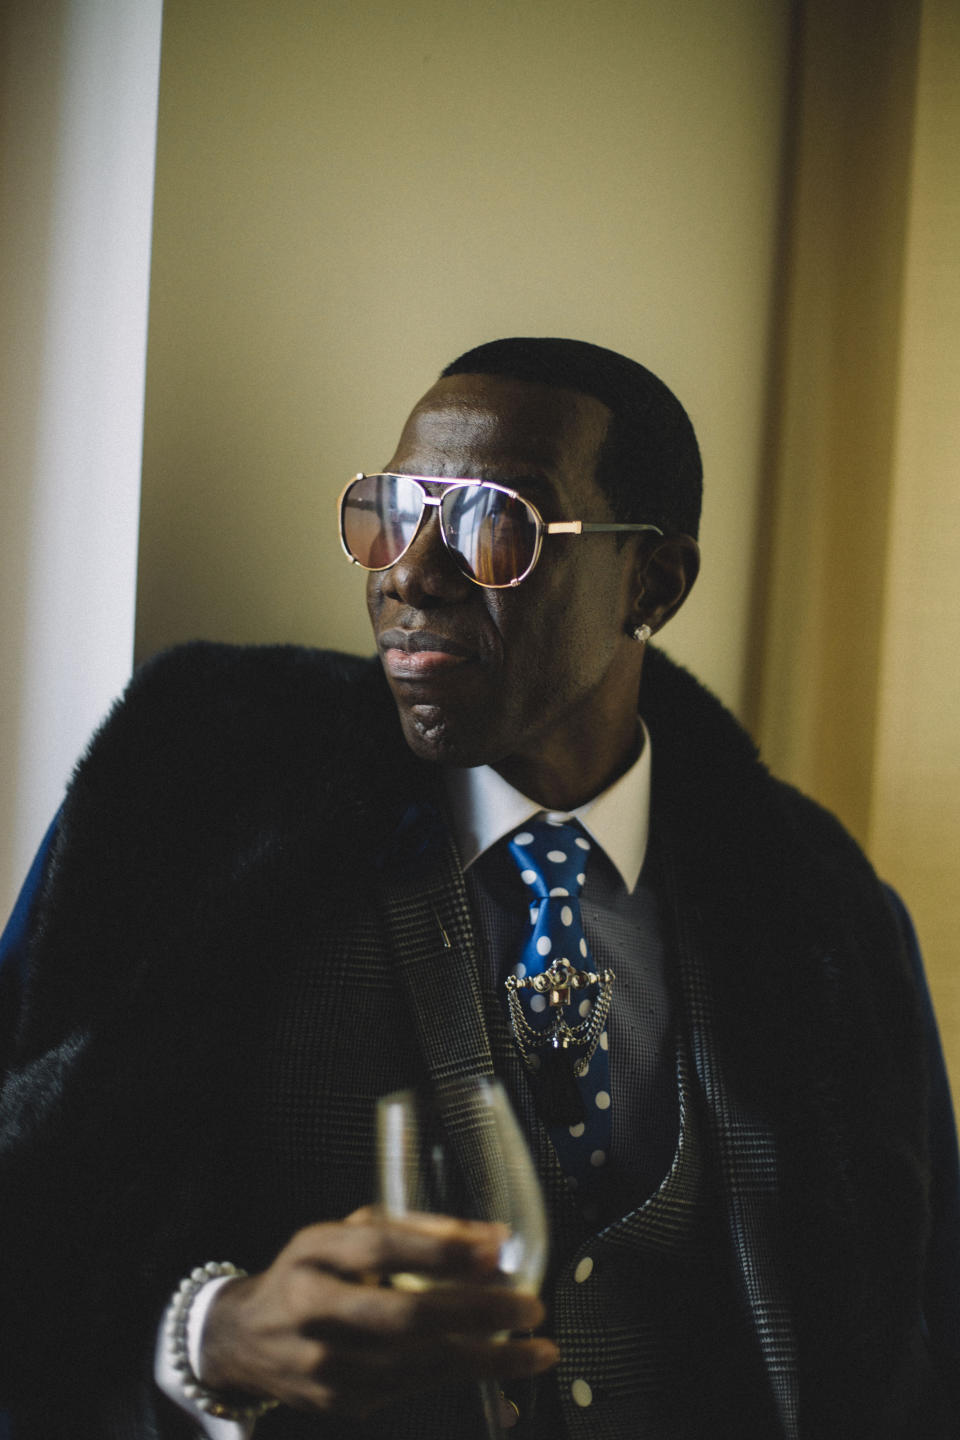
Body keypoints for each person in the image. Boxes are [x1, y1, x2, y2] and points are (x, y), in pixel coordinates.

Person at [0, 337, 956, 1440]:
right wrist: (209, 1332)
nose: (408, 569)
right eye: (389, 512)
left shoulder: (817, 910)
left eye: (492, 522)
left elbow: (920, 1316)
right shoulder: (194, 823)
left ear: (653, 583)